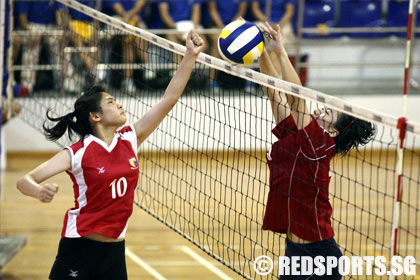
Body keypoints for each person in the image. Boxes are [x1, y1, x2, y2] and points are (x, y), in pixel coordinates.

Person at [16, 30, 204, 279]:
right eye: (112, 102)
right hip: (79, 247)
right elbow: (24, 181)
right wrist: (39, 191)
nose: (120, 104)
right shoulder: (78, 153)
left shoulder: (129, 138)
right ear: (96, 116)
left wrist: (190, 56)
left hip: (115, 252)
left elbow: (169, 99)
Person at [257, 22, 375, 279]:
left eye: (328, 112)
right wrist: (259, 49)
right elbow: (273, 91)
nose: (320, 109)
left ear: (334, 132)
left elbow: (298, 97)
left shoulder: (320, 144)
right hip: (294, 250)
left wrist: (280, 51)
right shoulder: (298, 136)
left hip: (319, 256)